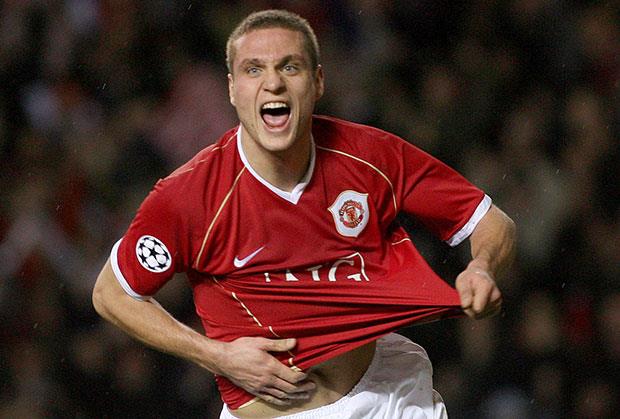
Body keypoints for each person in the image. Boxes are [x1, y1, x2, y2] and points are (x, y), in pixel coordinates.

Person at [92, 9, 516, 419]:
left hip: (388, 397)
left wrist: (482, 267)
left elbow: (489, 221)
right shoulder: (190, 196)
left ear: (317, 82)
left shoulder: (370, 156)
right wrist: (216, 356)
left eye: (290, 67)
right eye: (254, 70)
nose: (273, 83)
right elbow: (112, 294)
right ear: (232, 89)